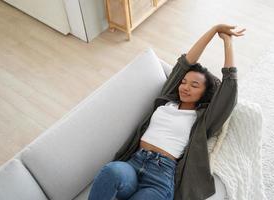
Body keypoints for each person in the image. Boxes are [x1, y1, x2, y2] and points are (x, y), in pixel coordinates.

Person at [88, 24, 246, 200]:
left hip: (160, 177)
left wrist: (227, 41)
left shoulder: (202, 119)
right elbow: (185, 63)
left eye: (194, 85)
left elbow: (229, 88)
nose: (185, 87)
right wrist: (213, 30)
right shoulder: (166, 100)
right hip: (134, 162)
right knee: (112, 170)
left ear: (204, 93)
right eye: (184, 82)